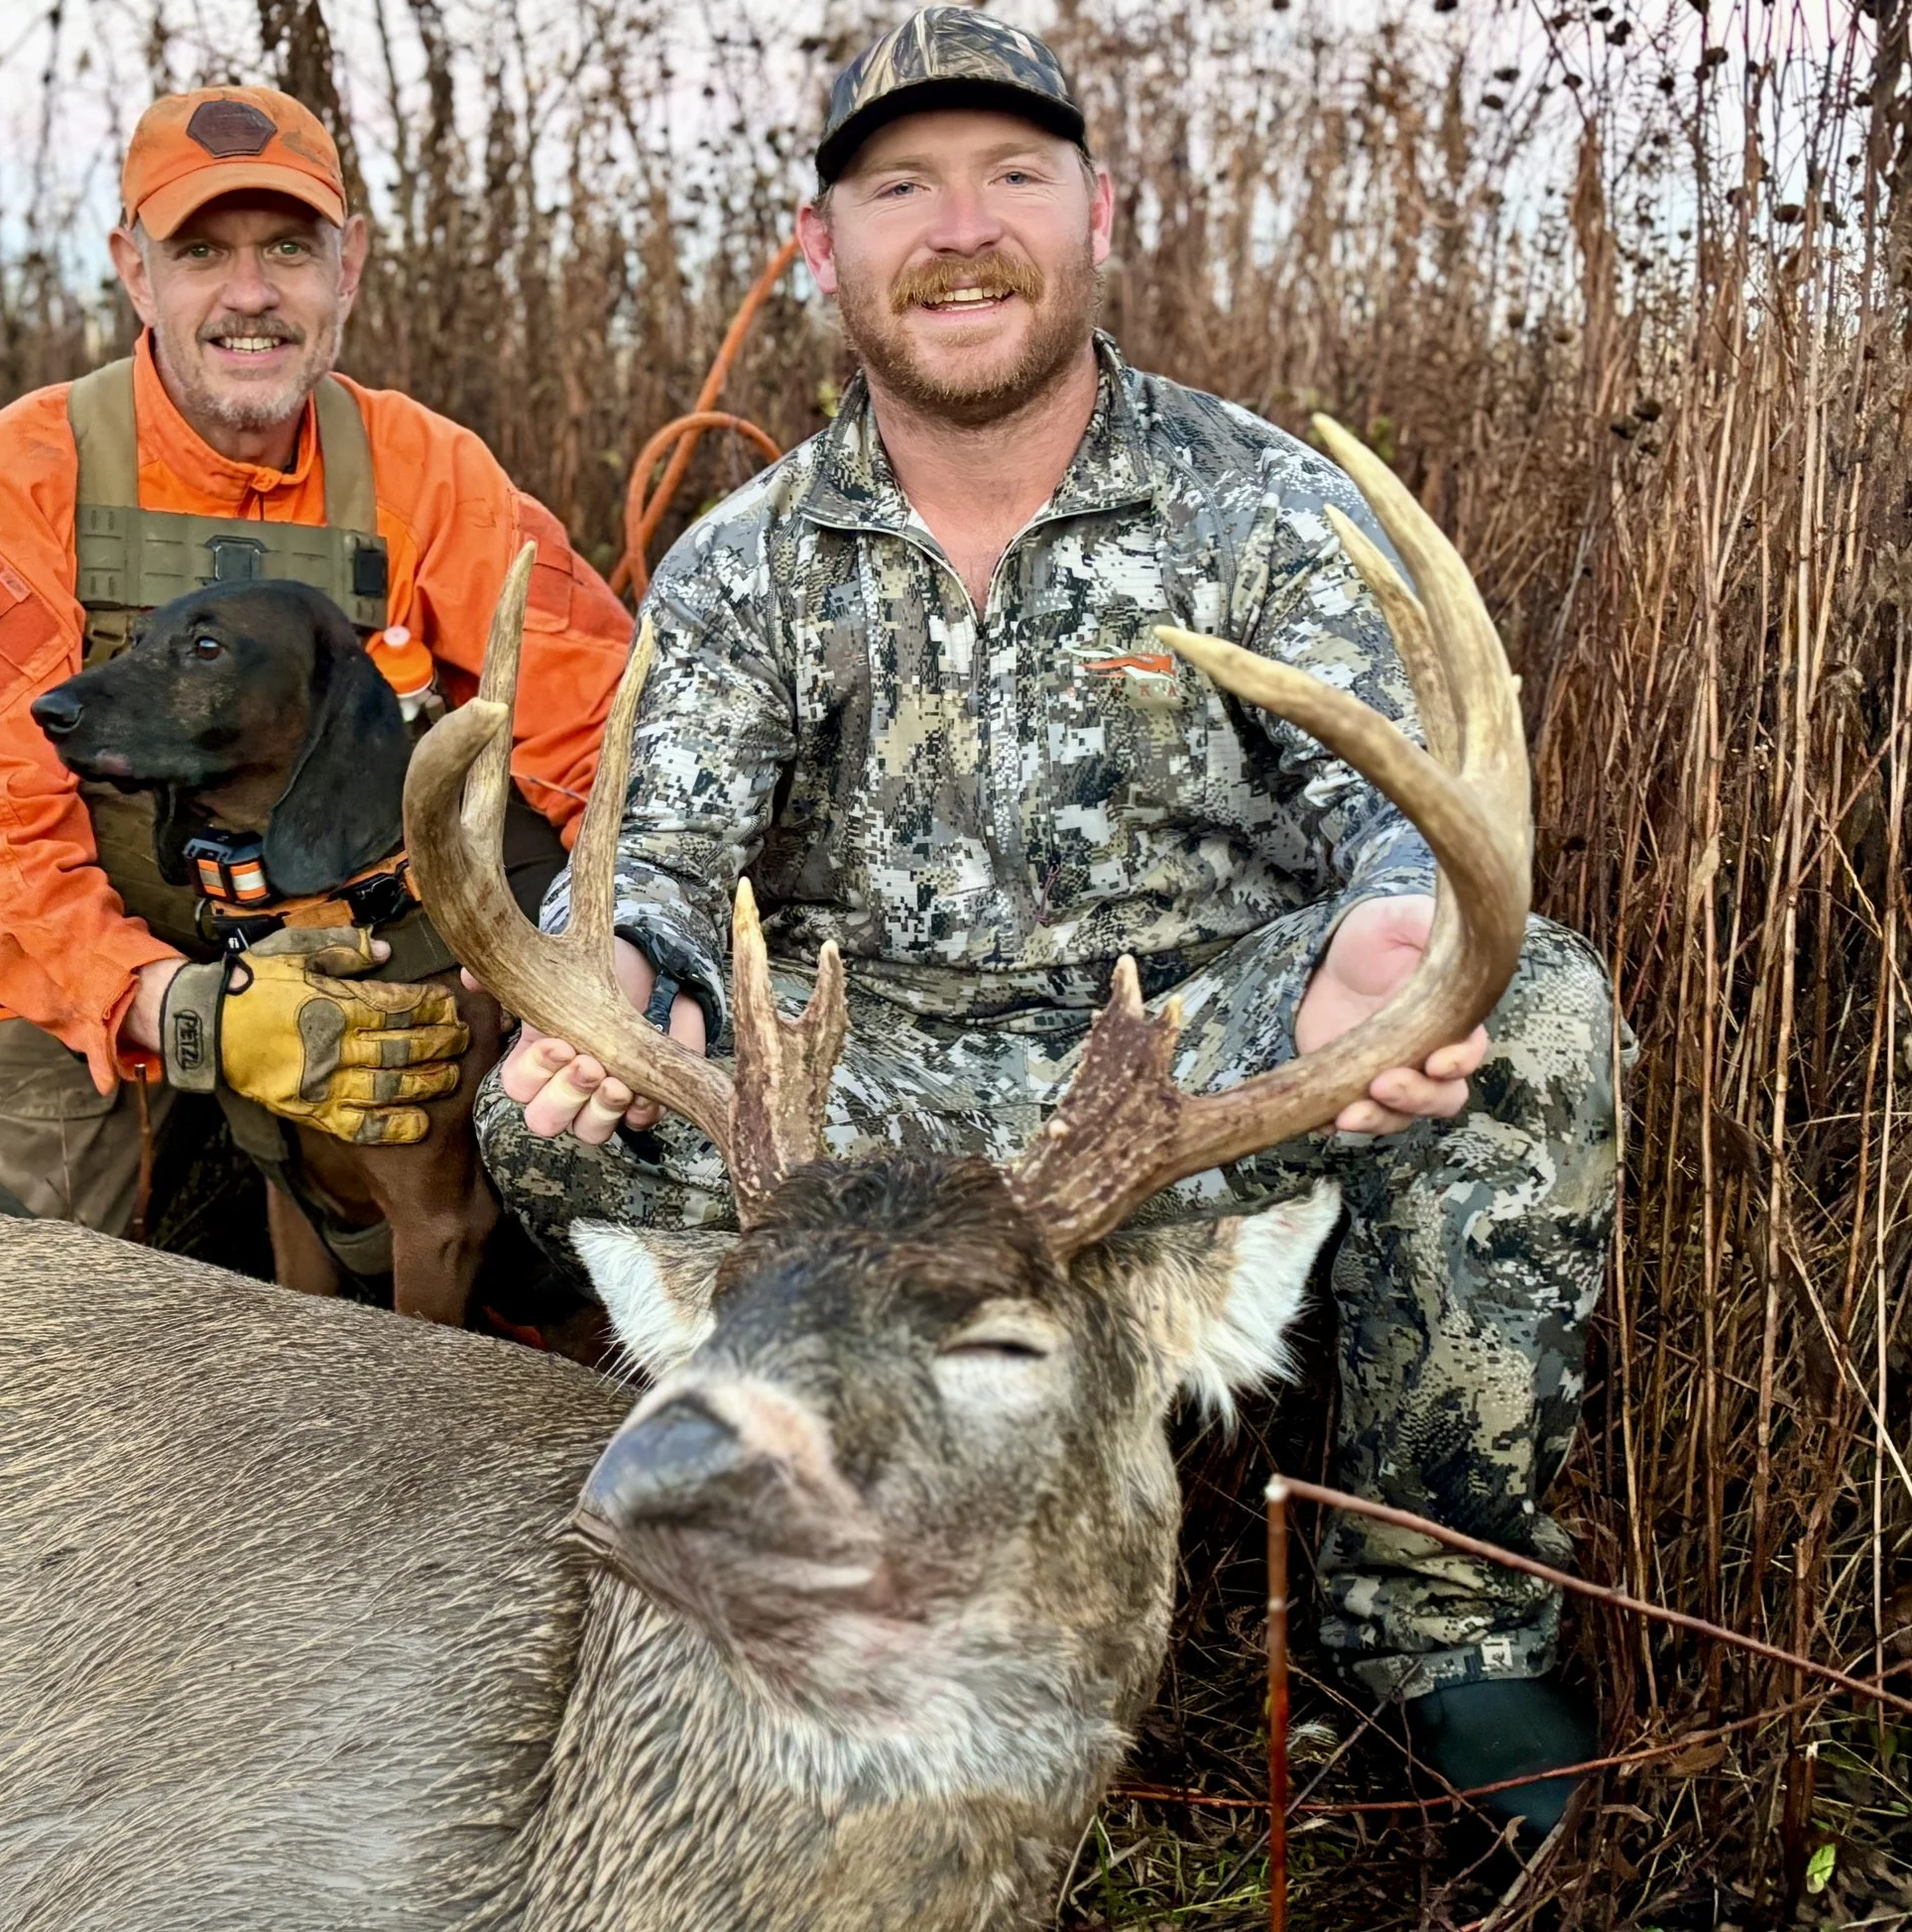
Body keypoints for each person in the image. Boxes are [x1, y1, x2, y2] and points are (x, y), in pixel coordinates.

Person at [475, 7, 1621, 1844]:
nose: (959, 228)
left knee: (1531, 1009)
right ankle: (826, 1534)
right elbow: (658, 872)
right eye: (900, 187)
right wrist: (615, 984)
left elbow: (1401, 818)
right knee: (532, 1119)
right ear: (819, 249)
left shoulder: (1264, 505)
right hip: (875, 1102)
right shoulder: (746, 559)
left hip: (1174, 1063)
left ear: (1102, 214)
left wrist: (1387, 940)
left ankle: (1436, 1619)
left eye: (1014, 175)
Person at [0, 85, 630, 1277]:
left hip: (356, 945)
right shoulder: (16, 480)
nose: (250, 294)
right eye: (200, 251)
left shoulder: (429, 474)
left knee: (555, 1200)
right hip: (62, 976)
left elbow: (599, 736)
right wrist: (183, 1010)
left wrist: (585, 963)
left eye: (289, 247)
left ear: (349, 265)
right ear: (134, 271)